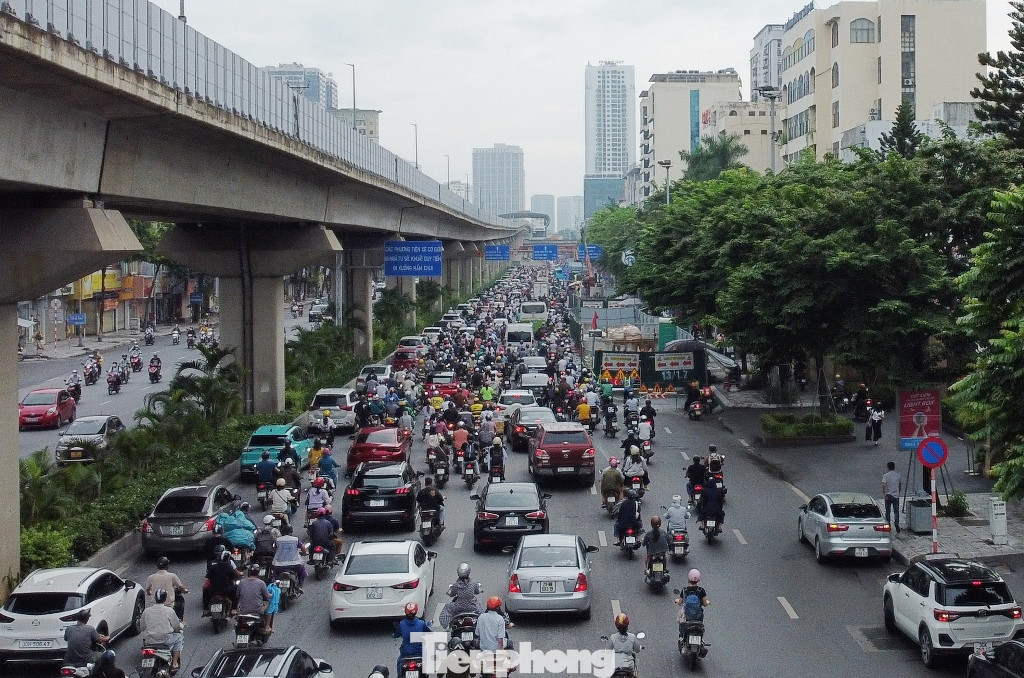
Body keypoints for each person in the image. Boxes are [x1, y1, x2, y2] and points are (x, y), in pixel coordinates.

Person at [141, 589, 184, 673]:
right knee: (179, 637)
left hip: (149, 641)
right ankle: (174, 663)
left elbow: (142, 627)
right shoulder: (169, 611)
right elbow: (176, 627)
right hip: (165, 640)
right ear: (165, 599)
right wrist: (179, 628)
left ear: (155, 598)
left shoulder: (146, 611)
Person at [394, 602, 432, 674]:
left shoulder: (401, 624)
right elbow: (429, 633)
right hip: (420, 653)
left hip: (405, 653)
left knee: (399, 663)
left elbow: (396, 635)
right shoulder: (421, 623)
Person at [202, 549, 239, 615]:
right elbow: (232, 579)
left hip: (213, 591)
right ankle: (234, 608)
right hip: (226, 591)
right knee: (236, 590)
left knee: (205, 591)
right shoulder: (229, 567)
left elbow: (208, 579)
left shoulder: (212, 567)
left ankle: (206, 609)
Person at [236, 564, 272, 632]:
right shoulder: (261, 583)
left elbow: (237, 595)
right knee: (270, 608)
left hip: (243, 610)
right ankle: (267, 627)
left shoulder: (242, 582)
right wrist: (273, 594)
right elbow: (267, 596)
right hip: (257, 610)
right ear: (258, 572)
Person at [272, 523, 307, 590]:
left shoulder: (277, 540)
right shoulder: (295, 539)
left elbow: (275, 550)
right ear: (291, 532)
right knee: (303, 572)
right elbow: (302, 548)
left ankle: (274, 586)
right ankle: (300, 586)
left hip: (278, 565)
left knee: (274, 574)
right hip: (295, 565)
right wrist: (305, 553)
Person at [676, 569, 710, 635]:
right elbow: (705, 603)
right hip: (698, 616)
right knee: (699, 627)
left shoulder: (684, 590)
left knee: (682, 626)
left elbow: (680, 602)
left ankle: (681, 637)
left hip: (687, 615)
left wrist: (677, 601)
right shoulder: (701, 590)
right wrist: (708, 602)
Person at [882, 461, 903, 533]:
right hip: (895, 496)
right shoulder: (898, 475)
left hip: (888, 495)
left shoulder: (886, 475)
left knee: (888, 511)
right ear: (894, 467)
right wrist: (898, 492)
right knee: (896, 511)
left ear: (888, 467)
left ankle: (888, 525)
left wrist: (884, 494)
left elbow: (884, 485)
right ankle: (896, 524)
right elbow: (900, 485)